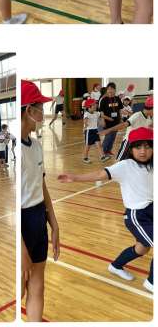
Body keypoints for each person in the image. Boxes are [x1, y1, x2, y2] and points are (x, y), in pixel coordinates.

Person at [58, 127, 153, 293]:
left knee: (142, 248)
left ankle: (116, 266)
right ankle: (152, 283)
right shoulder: (125, 166)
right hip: (137, 216)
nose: (143, 151)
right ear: (131, 149)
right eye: (138, 147)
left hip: (152, 211)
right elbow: (100, 174)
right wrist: (75, 177)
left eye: (147, 146)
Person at [21, 80, 60, 321]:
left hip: (38, 219)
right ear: (29, 110)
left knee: (37, 287)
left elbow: (41, 185)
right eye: (41, 108)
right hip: (23, 225)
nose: (43, 115)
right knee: (20, 288)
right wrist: (21, 250)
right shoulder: (16, 148)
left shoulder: (35, 145)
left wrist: (54, 224)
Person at [99, 96, 153, 161]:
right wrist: (109, 130)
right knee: (120, 162)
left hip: (138, 144)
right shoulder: (137, 116)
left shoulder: (149, 118)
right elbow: (124, 125)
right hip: (128, 143)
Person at [82, 98, 110, 164]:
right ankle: (85, 158)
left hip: (95, 130)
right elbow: (85, 120)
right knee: (88, 146)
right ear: (89, 106)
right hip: (89, 131)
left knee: (99, 144)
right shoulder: (86, 114)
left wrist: (110, 119)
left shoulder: (96, 113)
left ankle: (102, 157)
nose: (95, 106)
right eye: (93, 105)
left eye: (95, 104)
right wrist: (85, 125)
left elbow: (102, 116)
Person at [99, 82, 123, 156]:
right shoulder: (104, 99)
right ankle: (103, 152)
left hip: (116, 121)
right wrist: (103, 120)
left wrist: (121, 119)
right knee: (108, 137)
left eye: (112, 89)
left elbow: (120, 110)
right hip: (107, 121)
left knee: (113, 137)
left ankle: (109, 150)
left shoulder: (117, 99)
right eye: (108, 89)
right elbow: (101, 112)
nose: (110, 90)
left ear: (115, 90)